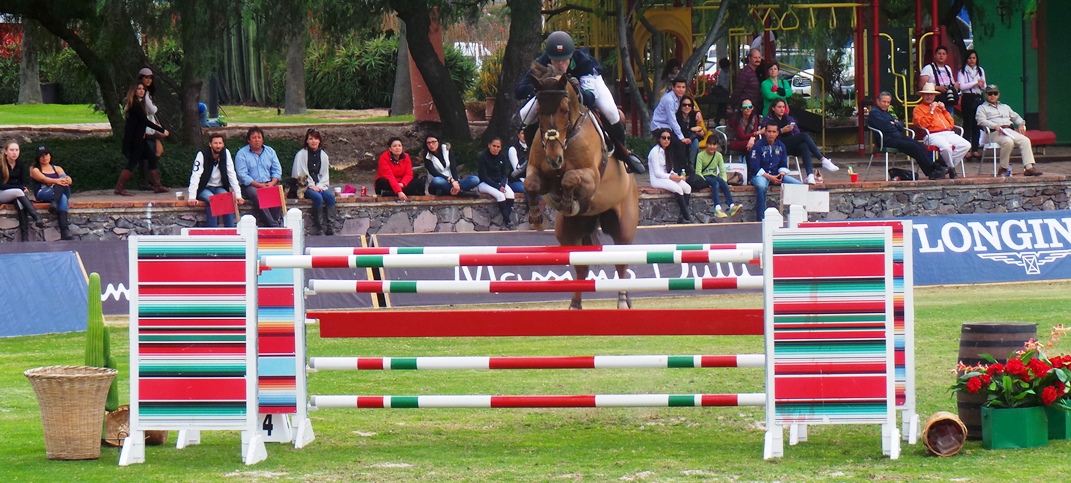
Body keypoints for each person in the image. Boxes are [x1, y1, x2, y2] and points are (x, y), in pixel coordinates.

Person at [515, 31, 645, 174]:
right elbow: (520, 91)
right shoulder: (541, 62)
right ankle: (529, 157)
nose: (560, 64)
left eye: (564, 60)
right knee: (525, 115)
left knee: (610, 111)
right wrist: (541, 86)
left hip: (585, 85)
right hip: (553, 92)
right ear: (549, 57)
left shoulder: (583, 62)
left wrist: (577, 91)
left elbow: (590, 98)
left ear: (571, 56)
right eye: (556, 60)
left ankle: (623, 153)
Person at [867, 91, 947, 180]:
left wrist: (895, 124)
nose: (886, 104)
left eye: (888, 102)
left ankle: (932, 169)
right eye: (884, 102)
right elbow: (886, 128)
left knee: (918, 144)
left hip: (896, 137)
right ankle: (933, 169)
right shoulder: (875, 113)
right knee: (912, 146)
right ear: (878, 101)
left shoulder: (886, 113)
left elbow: (901, 126)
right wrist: (894, 124)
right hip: (885, 140)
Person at [762, 99, 840, 184]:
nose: (782, 109)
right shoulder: (768, 119)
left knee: (804, 145)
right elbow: (766, 135)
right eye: (779, 107)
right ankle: (823, 159)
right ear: (773, 108)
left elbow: (796, 132)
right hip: (776, 145)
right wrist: (781, 131)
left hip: (789, 144)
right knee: (804, 136)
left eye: (783, 107)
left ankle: (810, 175)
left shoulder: (788, 118)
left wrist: (793, 132)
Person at [975, 84, 1042, 177]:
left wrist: (1021, 124)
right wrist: (995, 125)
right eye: (990, 94)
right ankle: (1003, 167)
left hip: (1009, 130)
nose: (992, 96)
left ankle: (1029, 167)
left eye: (995, 93)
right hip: (995, 133)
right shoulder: (982, 108)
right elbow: (981, 121)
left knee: (1025, 140)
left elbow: (1016, 117)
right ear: (986, 95)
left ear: (998, 95)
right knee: (1008, 142)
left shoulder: (1005, 107)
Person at [116, 83, 169, 196]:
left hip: (141, 139)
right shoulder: (135, 104)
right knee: (132, 163)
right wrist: (162, 129)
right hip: (135, 141)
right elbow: (145, 121)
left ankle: (157, 186)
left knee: (152, 159)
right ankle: (119, 188)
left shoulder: (139, 103)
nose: (141, 91)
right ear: (134, 91)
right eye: (139, 89)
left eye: (143, 89)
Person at [187, 134, 244, 228]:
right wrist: (192, 196)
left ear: (223, 144)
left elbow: (231, 174)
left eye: (220, 143)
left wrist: (238, 195)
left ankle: (230, 231)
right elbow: (195, 175)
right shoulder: (202, 154)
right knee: (212, 200)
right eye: (215, 143)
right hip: (204, 188)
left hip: (219, 187)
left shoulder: (226, 153)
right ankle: (212, 232)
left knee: (227, 199)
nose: (218, 146)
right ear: (210, 144)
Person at [913, 82, 968, 178]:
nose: (929, 96)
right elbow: (924, 124)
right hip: (932, 134)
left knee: (966, 145)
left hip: (948, 133)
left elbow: (951, 124)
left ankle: (943, 166)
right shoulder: (918, 109)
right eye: (926, 94)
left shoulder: (939, 107)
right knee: (946, 147)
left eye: (931, 94)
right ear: (922, 95)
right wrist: (931, 111)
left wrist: (944, 110)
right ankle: (951, 168)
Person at [748, 123, 802, 221]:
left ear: (777, 133)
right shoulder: (758, 145)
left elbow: (783, 164)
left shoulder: (781, 146)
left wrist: (781, 175)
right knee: (761, 187)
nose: (771, 134)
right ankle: (761, 219)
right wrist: (770, 177)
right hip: (760, 175)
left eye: (774, 132)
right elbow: (754, 166)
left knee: (798, 185)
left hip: (776, 174)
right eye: (769, 131)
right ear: (765, 132)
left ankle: (797, 215)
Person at [234, 126, 284, 226]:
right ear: (248, 140)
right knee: (258, 195)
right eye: (254, 137)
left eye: (259, 137)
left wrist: (272, 183)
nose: (257, 140)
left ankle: (270, 223)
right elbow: (242, 175)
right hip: (250, 186)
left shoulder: (270, 152)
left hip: (268, 183)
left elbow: (277, 170)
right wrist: (259, 185)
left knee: (277, 194)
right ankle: (273, 225)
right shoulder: (241, 154)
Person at [292, 128, 338, 234]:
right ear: (307, 141)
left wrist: (320, 185)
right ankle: (320, 227)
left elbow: (325, 174)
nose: (313, 141)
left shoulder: (324, 156)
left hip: (320, 185)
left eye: (316, 139)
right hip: (306, 186)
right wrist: (311, 185)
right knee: (317, 197)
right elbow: (300, 173)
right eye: (311, 139)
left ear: (319, 141)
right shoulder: (301, 155)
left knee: (330, 197)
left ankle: (330, 227)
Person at [1, 141, 46, 241]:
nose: (14, 153)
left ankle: (25, 238)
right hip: (1, 194)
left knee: (21, 205)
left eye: (17, 150)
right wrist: (19, 188)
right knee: (19, 192)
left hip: (14, 195)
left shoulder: (20, 164)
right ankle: (36, 217)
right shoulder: (1, 164)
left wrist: (20, 188)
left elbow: (23, 182)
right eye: (11, 150)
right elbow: (1, 185)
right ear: (5, 152)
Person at [648, 128, 693, 224]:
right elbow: (657, 173)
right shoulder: (654, 152)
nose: (666, 140)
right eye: (664, 138)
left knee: (687, 188)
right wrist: (671, 177)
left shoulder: (667, 151)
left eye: (668, 138)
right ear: (659, 139)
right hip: (657, 179)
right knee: (678, 189)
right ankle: (687, 217)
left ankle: (681, 217)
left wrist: (678, 177)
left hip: (667, 177)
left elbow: (669, 170)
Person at [29, 146, 74, 240]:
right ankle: (65, 231)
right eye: (41, 156)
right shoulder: (35, 169)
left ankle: (54, 202)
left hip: (57, 193)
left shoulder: (57, 168)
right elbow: (44, 179)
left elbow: (67, 179)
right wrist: (57, 181)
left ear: (50, 156)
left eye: (46, 155)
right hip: (43, 192)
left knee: (62, 186)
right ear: (38, 158)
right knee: (63, 198)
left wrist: (63, 181)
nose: (44, 157)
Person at [651, 77, 692, 176]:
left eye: (683, 87)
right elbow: (672, 120)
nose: (681, 89)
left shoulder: (678, 98)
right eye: (678, 87)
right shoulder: (669, 99)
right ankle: (678, 171)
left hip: (667, 126)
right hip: (659, 126)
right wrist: (681, 137)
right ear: (673, 88)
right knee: (678, 143)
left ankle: (680, 169)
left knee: (680, 144)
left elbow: (689, 106)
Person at [695, 135, 740, 218]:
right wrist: (704, 181)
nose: (712, 147)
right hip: (704, 176)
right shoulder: (700, 155)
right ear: (706, 144)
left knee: (722, 183)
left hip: (713, 175)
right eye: (710, 144)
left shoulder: (718, 155)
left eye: (714, 144)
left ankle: (732, 206)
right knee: (715, 184)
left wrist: (724, 181)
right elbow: (698, 171)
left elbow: (722, 169)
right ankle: (717, 208)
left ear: (717, 146)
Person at [476, 137, 516, 229]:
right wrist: (498, 187)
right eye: (494, 146)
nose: (496, 148)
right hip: (485, 184)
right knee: (500, 196)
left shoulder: (502, 157)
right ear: (489, 145)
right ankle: (509, 222)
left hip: (499, 183)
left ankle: (506, 219)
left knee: (510, 194)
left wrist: (502, 184)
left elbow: (504, 173)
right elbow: (483, 176)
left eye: (498, 147)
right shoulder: (483, 157)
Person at [138, 67, 166, 192]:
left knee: (156, 151)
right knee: (149, 154)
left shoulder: (146, 91)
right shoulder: (142, 92)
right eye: (146, 77)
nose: (148, 80)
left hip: (148, 126)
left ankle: (151, 179)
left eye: (150, 77)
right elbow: (152, 110)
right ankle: (147, 181)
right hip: (144, 128)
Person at [956, 50, 986, 158]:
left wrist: (980, 85)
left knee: (976, 124)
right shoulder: (962, 71)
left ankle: (975, 149)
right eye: (970, 58)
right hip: (968, 97)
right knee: (967, 124)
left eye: (974, 58)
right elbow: (962, 86)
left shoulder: (980, 70)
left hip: (978, 97)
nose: (972, 60)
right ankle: (966, 149)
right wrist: (975, 83)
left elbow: (984, 86)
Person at [919, 45, 959, 117]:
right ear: (935, 55)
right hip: (935, 101)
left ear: (946, 56)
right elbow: (922, 86)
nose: (941, 56)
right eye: (939, 53)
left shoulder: (948, 68)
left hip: (948, 101)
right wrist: (937, 88)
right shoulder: (928, 68)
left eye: (943, 54)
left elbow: (952, 83)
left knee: (949, 122)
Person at [676, 95, 707, 166]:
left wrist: (699, 131)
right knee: (694, 145)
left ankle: (691, 164)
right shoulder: (677, 116)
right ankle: (692, 165)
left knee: (695, 142)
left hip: (691, 138)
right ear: (680, 106)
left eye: (689, 105)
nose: (687, 107)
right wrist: (691, 129)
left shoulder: (693, 115)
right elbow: (679, 130)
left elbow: (700, 131)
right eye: (684, 105)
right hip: (680, 138)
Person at [731, 49, 763, 117]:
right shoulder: (745, 73)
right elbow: (737, 91)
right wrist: (735, 107)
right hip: (744, 108)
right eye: (755, 57)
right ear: (749, 58)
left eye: (759, 57)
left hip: (753, 107)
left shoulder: (754, 72)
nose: (758, 59)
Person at [506, 129, 528, 195]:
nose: (525, 136)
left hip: (529, 180)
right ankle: (531, 205)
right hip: (516, 181)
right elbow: (517, 170)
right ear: (518, 135)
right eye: (522, 133)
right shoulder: (513, 149)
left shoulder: (531, 148)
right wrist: (526, 182)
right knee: (529, 189)